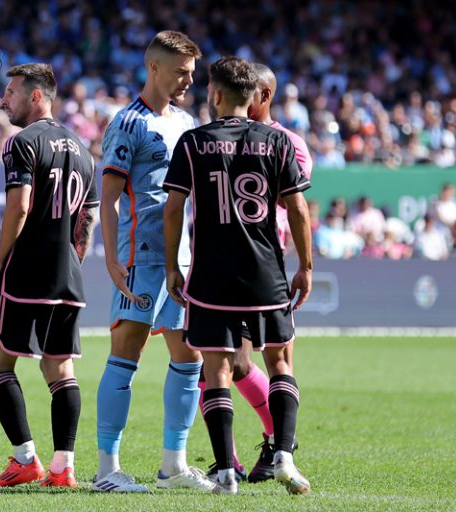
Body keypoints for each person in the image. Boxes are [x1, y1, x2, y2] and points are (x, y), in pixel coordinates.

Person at [163, 56, 313, 495]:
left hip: (212, 274)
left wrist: (173, 265)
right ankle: (283, 454)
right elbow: (298, 208)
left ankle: (226, 471)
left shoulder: (193, 142)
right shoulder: (277, 142)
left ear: (215, 94)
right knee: (281, 361)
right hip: (266, 271)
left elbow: (173, 208)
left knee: (217, 369)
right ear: (255, 97)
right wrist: (304, 265)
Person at [93, 30, 215, 493]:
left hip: (178, 263)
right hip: (140, 260)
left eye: (192, 73)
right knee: (127, 354)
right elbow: (107, 200)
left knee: (189, 357)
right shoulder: (127, 123)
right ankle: (107, 470)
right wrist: (111, 260)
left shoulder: (186, 122)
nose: (188, 80)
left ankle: (173, 466)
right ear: (154, 68)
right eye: (182, 72)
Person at [0, 63, 98, 489]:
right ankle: (63, 467)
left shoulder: (22, 143)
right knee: (60, 369)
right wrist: (73, 262)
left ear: (36, 96)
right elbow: (87, 220)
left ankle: (25, 458)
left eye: (11, 92)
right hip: (68, 274)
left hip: (25, 270)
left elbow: (20, 207)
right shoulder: (84, 150)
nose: (3, 99)